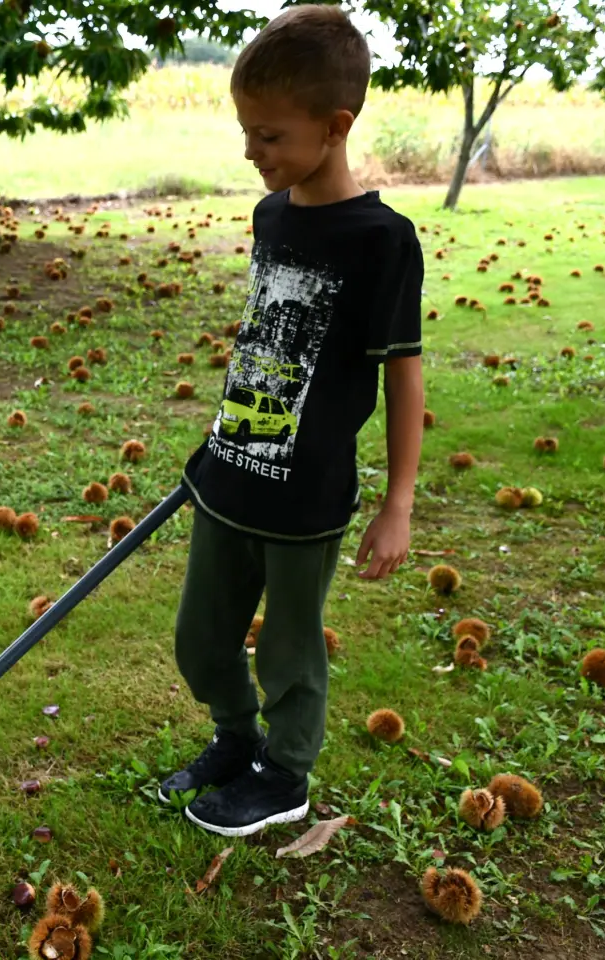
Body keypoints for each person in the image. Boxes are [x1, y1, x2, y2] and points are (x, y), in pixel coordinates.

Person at [157, 4, 426, 837]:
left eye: (268, 135)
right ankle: (235, 742)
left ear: (335, 125)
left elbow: (404, 374)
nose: (251, 152)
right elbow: (265, 341)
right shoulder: (271, 218)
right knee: (201, 643)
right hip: (231, 474)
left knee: (289, 650)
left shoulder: (382, 241)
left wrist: (399, 504)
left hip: (306, 496)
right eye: (245, 132)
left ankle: (286, 774)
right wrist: (217, 438)